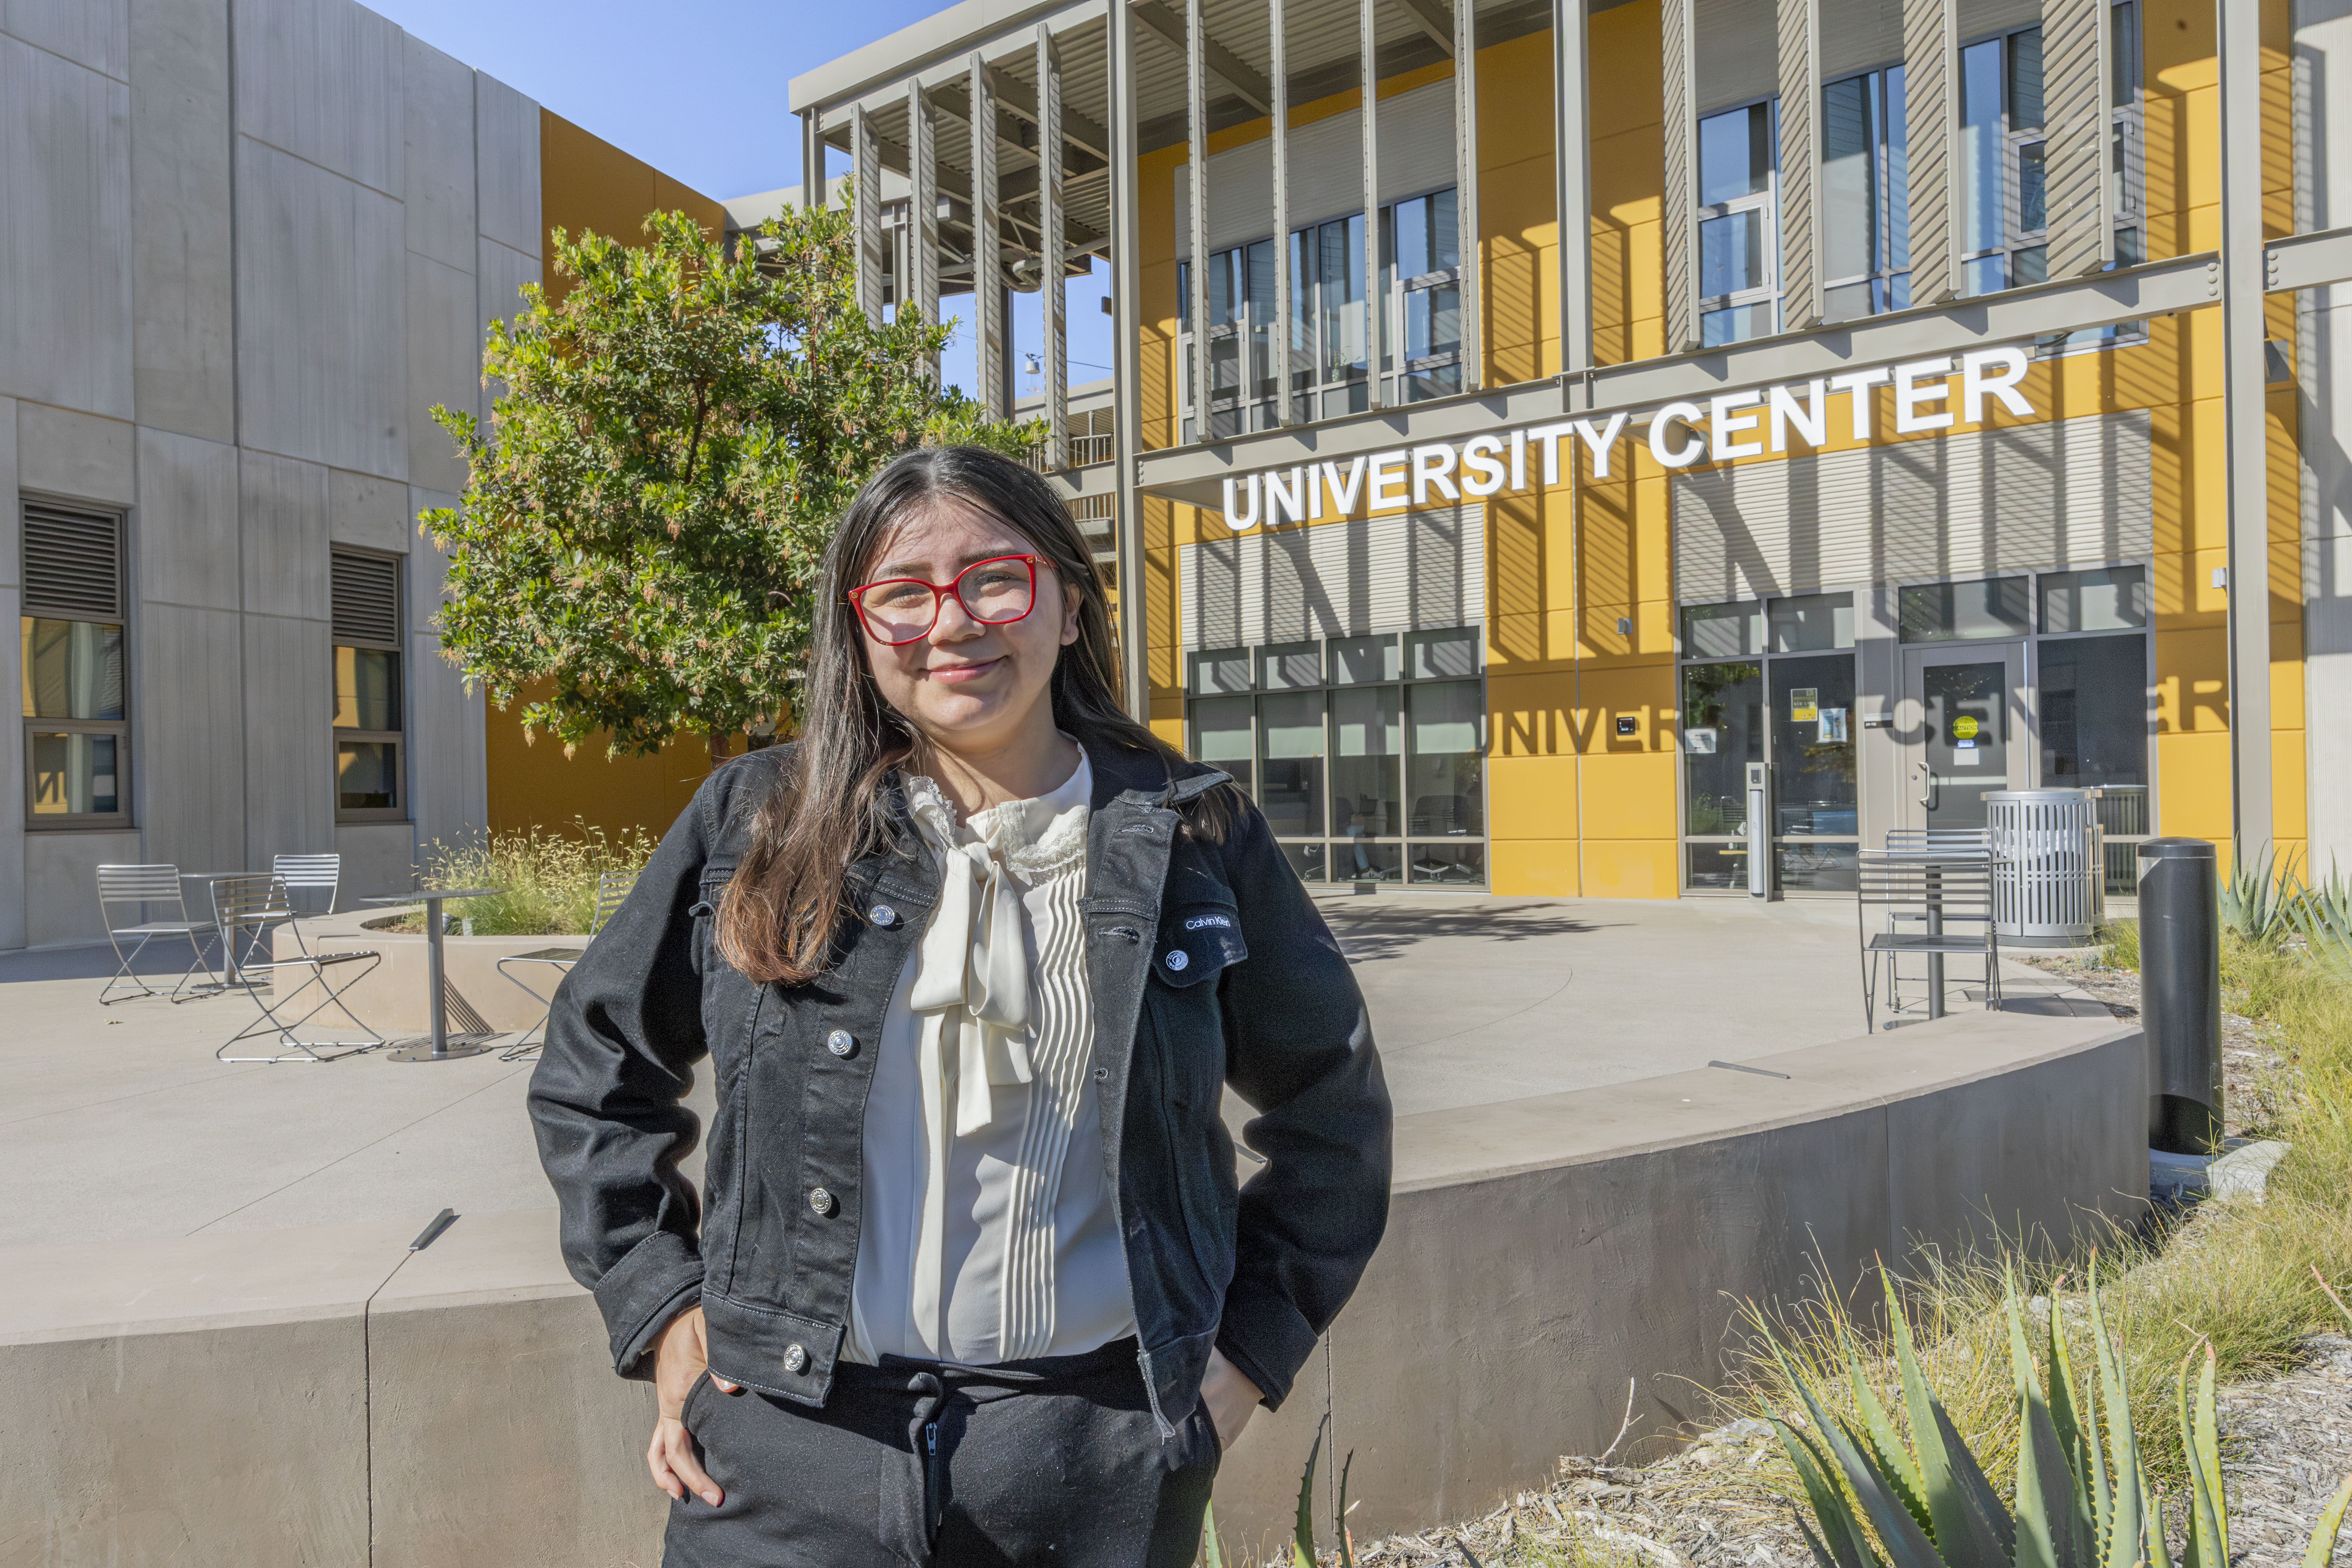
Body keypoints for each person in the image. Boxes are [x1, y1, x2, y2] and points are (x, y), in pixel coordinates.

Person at [530, 445, 1393, 1567]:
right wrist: (660, 1306)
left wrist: (1244, 1359)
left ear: (1068, 603)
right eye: (903, 594)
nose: (954, 622)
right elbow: (594, 1066)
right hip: (786, 1446)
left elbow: (1334, 1111)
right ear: (860, 629)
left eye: (997, 578)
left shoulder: (1194, 831)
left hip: (1096, 1457)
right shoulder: (757, 819)